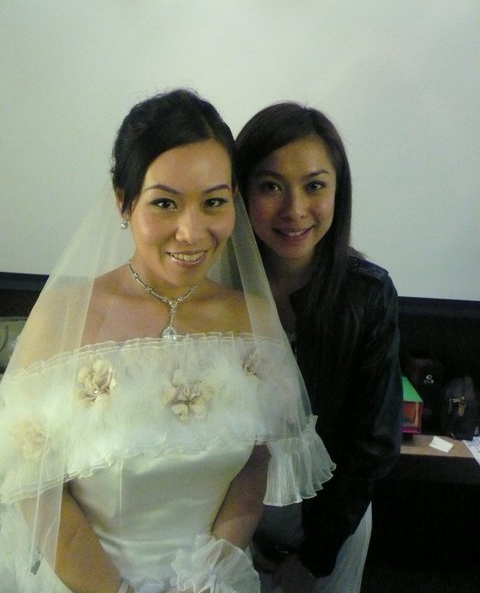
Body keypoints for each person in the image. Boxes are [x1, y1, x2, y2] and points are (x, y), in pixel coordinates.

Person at [0, 90, 334, 593]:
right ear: (123, 201)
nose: (191, 232)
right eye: (164, 203)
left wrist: (209, 574)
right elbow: (34, 489)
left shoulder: (252, 319)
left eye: (214, 202)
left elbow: (255, 464)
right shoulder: (64, 316)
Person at [235, 102, 403, 593]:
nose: (294, 209)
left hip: (332, 526)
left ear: (338, 192)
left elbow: (373, 445)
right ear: (241, 190)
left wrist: (315, 558)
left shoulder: (368, 295)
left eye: (314, 186)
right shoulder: (217, 288)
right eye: (271, 186)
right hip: (230, 525)